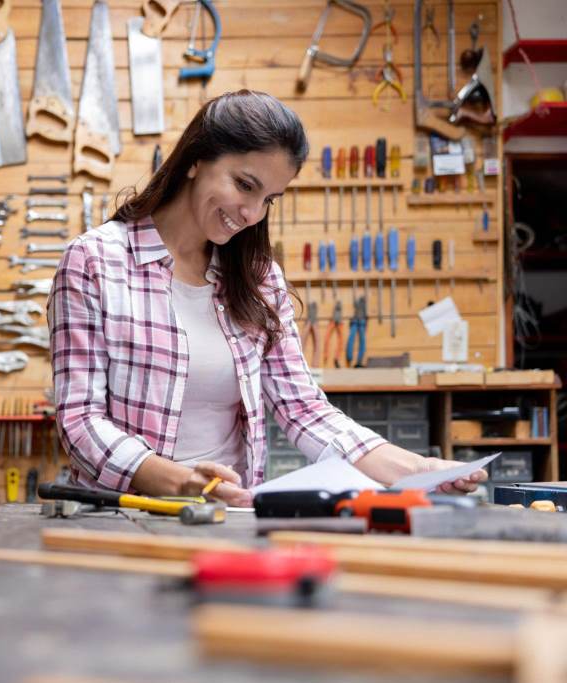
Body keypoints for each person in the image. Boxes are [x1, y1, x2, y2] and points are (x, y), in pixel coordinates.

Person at [47, 90, 486, 507]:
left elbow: (303, 408)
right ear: (197, 160)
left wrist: (416, 467)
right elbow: (79, 422)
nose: (252, 214)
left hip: (226, 515)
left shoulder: (258, 280)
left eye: (269, 199)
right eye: (244, 185)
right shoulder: (93, 262)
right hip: (123, 518)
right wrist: (178, 480)